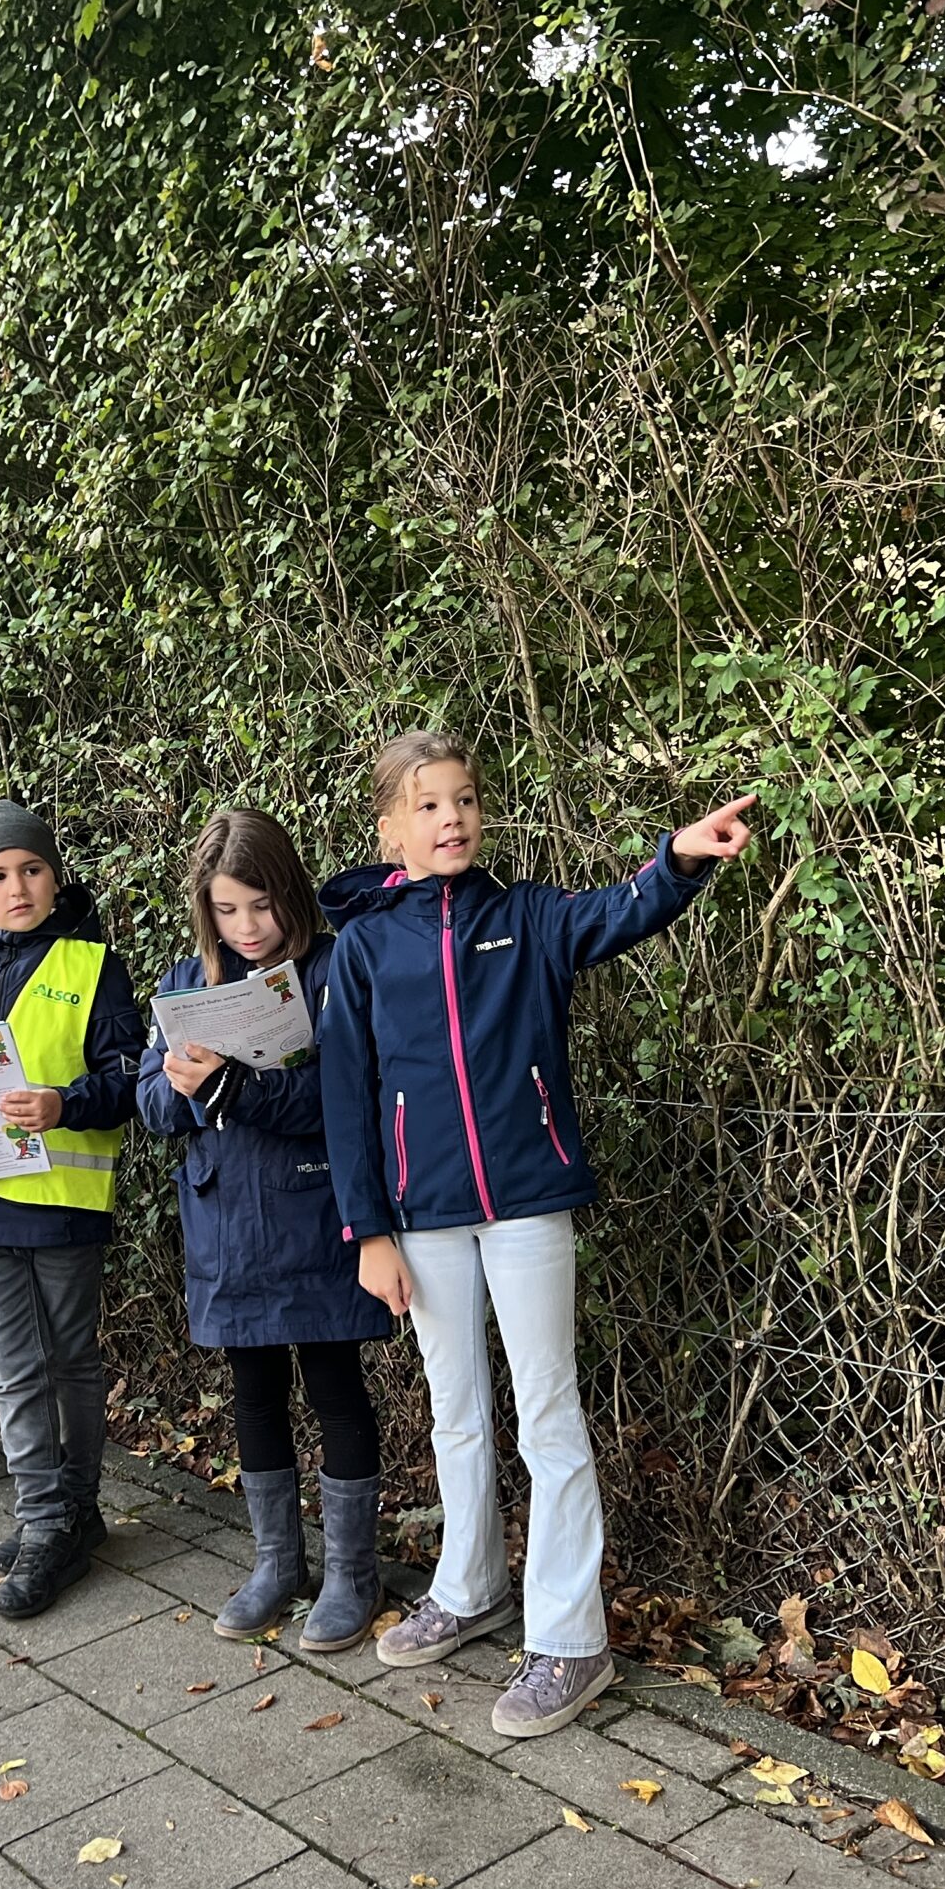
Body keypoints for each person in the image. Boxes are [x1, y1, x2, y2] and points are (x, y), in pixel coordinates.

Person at [317, 730, 754, 1735]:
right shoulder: (364, 946)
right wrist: (366, 1231)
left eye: (464, 799)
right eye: (427, 805)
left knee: (547, 1417)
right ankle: (467, 1590)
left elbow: (622, 910)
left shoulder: (529, 919)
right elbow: (347, 1095)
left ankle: (568, 1639)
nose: (452, 818)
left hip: (525, 1201)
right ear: (389, 826)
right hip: (418, 1220)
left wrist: (677, 859)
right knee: (456, 1411)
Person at [137, 809, 390, 1649]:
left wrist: (239, 1089)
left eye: (262, 905)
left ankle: (353, 1571)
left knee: (334, 1386)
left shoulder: (329, 970)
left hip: (315, 1213)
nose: (247, 927)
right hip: (226, 1223)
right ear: (203, 910)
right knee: (253, 1393)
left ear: (290, 893)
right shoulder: (184, 981)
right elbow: (149, 1106)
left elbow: (343, 1099)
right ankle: (277, 1563)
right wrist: (180, 1084)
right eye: (227, 910)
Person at [0, 801, 143, 1619]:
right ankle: (49, 1518)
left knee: (69, 1361)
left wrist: (64, 1103)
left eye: (32, 870)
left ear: (54, 876)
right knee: (12, 1368)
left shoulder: (92, 966)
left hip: (60, 1202)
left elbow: (127, 1084)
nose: (17, 887)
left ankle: (69, 1516)